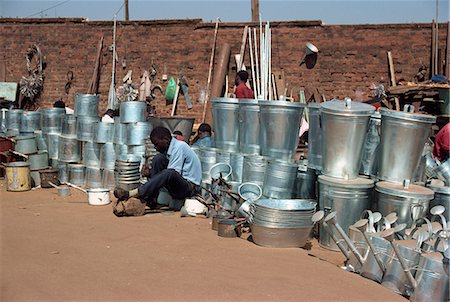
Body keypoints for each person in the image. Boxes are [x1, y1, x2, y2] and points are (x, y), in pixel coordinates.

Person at [114, 126, 202, 208]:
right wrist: (150, 173)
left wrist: (151, 174)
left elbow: (172, 174)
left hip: (189, 188)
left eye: (156, 144)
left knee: (169, 172)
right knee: (158, 159)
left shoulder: (179, 147)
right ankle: (152, 199)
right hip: (180, 184)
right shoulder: (170, 149)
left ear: (166, 139)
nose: (155, 148)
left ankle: (134, 193)